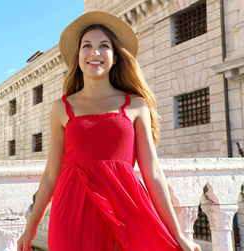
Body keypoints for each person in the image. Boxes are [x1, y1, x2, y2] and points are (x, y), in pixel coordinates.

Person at [17, 11, 202, 251]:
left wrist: (178, 234)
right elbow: (52, 174)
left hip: (127, 204)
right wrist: (30, 228)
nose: (95, 52)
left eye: (104, 46)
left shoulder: (136, 105)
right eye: (87, 46)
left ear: (115, 58)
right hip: (72, 210)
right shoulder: (61, 108)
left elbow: (152, 172)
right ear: (78, 56)